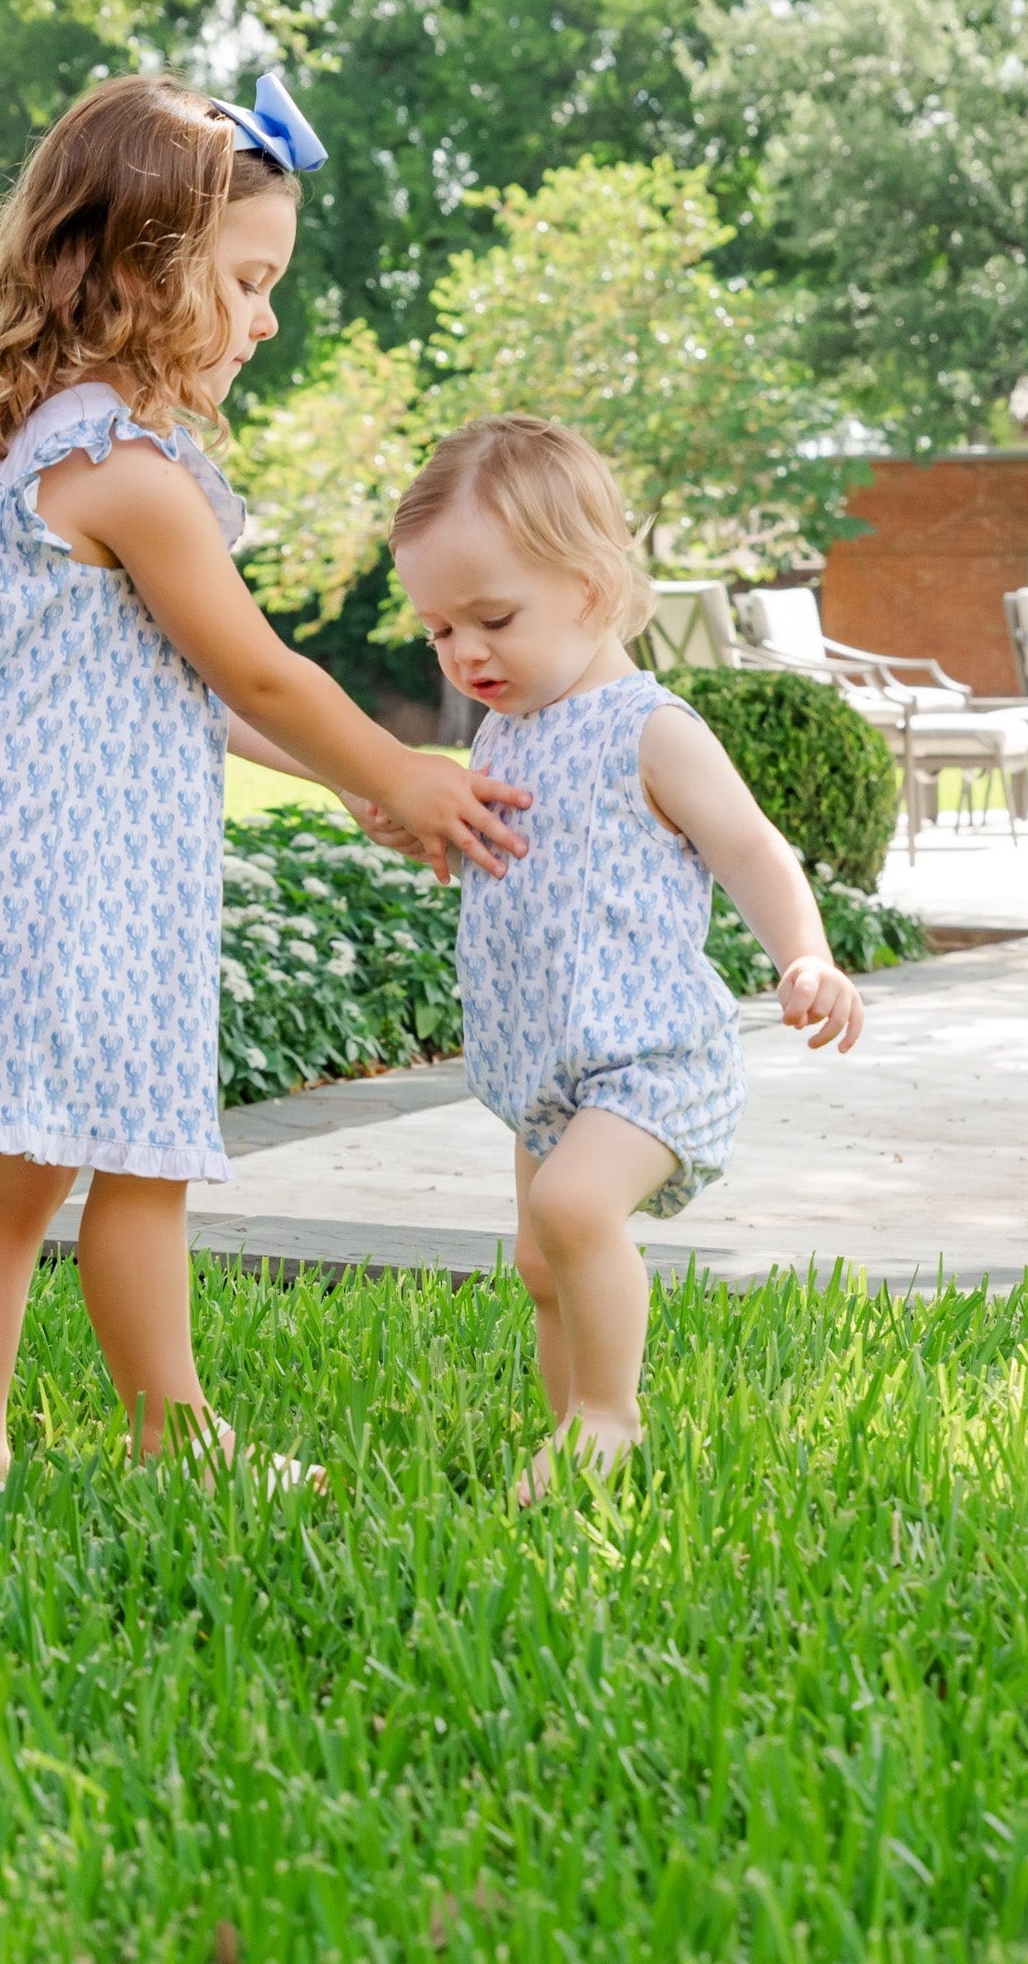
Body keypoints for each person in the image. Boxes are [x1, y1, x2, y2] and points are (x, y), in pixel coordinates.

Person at [0, 73, 530, 1483]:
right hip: (38, 883)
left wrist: (346, 783)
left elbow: (187, 695)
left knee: (42, 1180)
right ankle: (151, 1438)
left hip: (38, 871)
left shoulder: (56, 448)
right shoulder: (123, 471)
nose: (267, 316)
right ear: (142, 272)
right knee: (110, 1164)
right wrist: (402, 774)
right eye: (245, 279)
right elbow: (261, 671)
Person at [387, 415, 866, 1498]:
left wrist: (804, 953)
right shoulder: (502, 732)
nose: (464, 653)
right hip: (545, 1066)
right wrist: (431, 829)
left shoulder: (652, 728)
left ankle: (610, 1416)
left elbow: (749, 844)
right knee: (540, 1262)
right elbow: (517, 857)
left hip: (648, 1057)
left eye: (492, 618)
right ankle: (570, 1436)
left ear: (594, 588)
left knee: (571, 1214)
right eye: (438, 630)